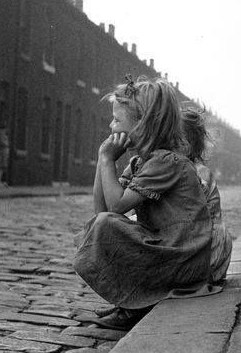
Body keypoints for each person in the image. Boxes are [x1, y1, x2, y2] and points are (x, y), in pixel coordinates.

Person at [73, 76, 217, 330]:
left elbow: (115, 209)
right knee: (103, 225)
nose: (111, 125)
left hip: (183, 261)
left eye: (117, 120)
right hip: (172, 255)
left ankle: (132, 308)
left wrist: (108, 160)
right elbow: (102, 211)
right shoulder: (143, 162)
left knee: (107, 226)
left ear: (143, 125)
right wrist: (102, 160)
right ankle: (131, 303)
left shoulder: (167, 162)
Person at [181, 106, 232, 282]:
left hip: (206, 257)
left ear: (188, 145)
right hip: (212, 255)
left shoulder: (195, 172)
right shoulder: (198, 170)